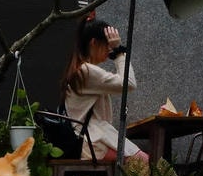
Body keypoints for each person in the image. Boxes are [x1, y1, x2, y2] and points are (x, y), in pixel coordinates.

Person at [59, 16, 149, 164]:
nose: (109, 49)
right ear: (94, 43)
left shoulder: (80, 69)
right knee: (142, 162)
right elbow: (129, 84)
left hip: (90, 141)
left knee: (137, 164)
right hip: (93, 143)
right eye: (107, 45)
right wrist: (119, 52)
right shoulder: (86, 71)